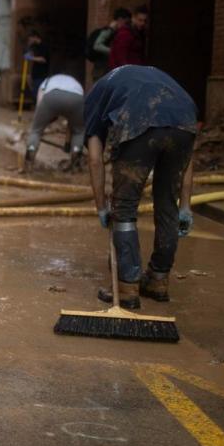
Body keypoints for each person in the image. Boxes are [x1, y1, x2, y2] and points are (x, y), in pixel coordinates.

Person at [84, 65, 198, 309]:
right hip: (185, 122)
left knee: (124, 208)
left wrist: (102, 206)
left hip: (139, 120)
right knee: (168, 205)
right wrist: (185, 206)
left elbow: (95, 159)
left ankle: (127, 287)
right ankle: (158, 280)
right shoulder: (156, 79)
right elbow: (188, 159)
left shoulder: (95, 97)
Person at [24, 74, 85, 172]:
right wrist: (67, 144)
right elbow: (72, 122)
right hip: (76, 97)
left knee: (36, 130)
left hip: (52, 96)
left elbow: (40, 105)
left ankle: (29, 161)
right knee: (79, 131)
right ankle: (76, 160)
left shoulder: (46, 82)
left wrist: (41, 123)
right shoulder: (75, 83)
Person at [87, 8, 131, 81]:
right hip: (101, 70)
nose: (127, 25)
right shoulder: (109, 30)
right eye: (126, 23)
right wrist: (114, 51)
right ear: (120, 20)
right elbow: (97, 46)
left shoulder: (118, 32)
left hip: (104, 70)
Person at [108, 5, 148, 70]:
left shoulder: (139, 34)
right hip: (126, 73)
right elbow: (120, 58)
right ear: (133, 18)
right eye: (140, 20)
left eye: (145, 21)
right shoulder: (125, 34)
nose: (142, 23)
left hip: (135, 72)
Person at [23, 30, 49, 97]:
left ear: (35, 37)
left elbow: (43, 59)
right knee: (34, 94)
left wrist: (31, 58)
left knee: (39, 95)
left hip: (41, 75)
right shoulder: (35, 47)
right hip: (35, 75)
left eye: (30, 39)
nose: (29, 40)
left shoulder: (44, 46)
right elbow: (30, 55)